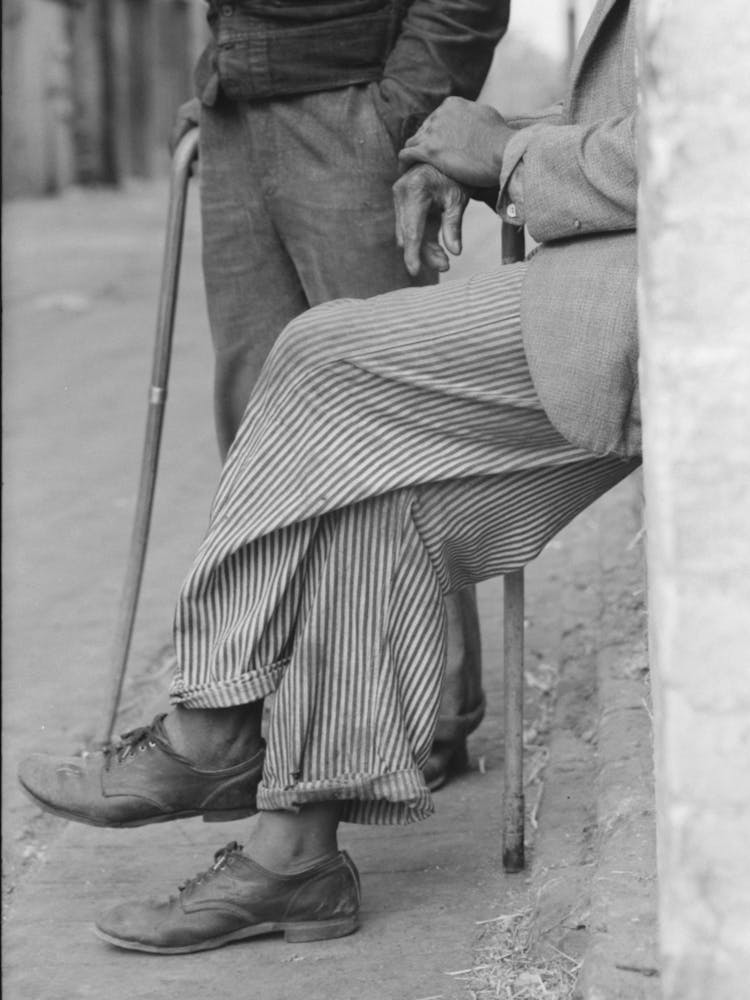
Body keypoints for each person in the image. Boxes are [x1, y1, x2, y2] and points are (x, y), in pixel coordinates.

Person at [19, 0, 639, 954]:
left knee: (320, 364)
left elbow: (704, 164)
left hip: (651, 299)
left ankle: (216, 725)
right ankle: (296, 859)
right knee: (367, 495)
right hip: (266, 106)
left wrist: (492, 146)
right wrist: (230, 75)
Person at [173, 0, 513, 789]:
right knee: (260, 432)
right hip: (238, 117)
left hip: (356, 112)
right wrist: (225, 75)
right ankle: (283, 720)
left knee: (389, 427)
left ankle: (427, 716)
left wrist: (406, 114)